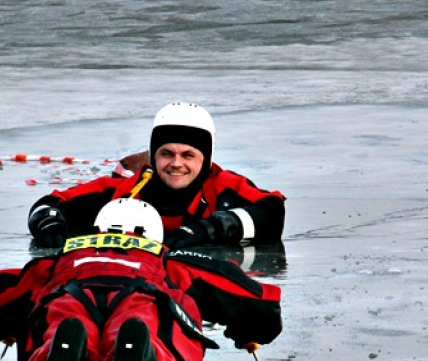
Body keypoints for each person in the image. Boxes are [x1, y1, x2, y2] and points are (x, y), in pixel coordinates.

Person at [0, 198, 282, 361]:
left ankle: (61, 349)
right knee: (150, 325)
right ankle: (144, 358)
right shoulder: (171, 259)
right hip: (142, 293)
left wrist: (0, 327)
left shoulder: (59, 260)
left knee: (58, 321)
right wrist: (249, 331)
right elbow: (257, 300)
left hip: (71, 290)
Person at [27, 103, 286, 250]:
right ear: (153, 156)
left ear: (205, 158)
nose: (176, 164)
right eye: (166, 153)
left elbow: (273, 212)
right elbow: (48, 205)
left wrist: (207, 229)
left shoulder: (224, 187)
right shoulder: (122, 191)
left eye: (188, 155)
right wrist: (49, 224)